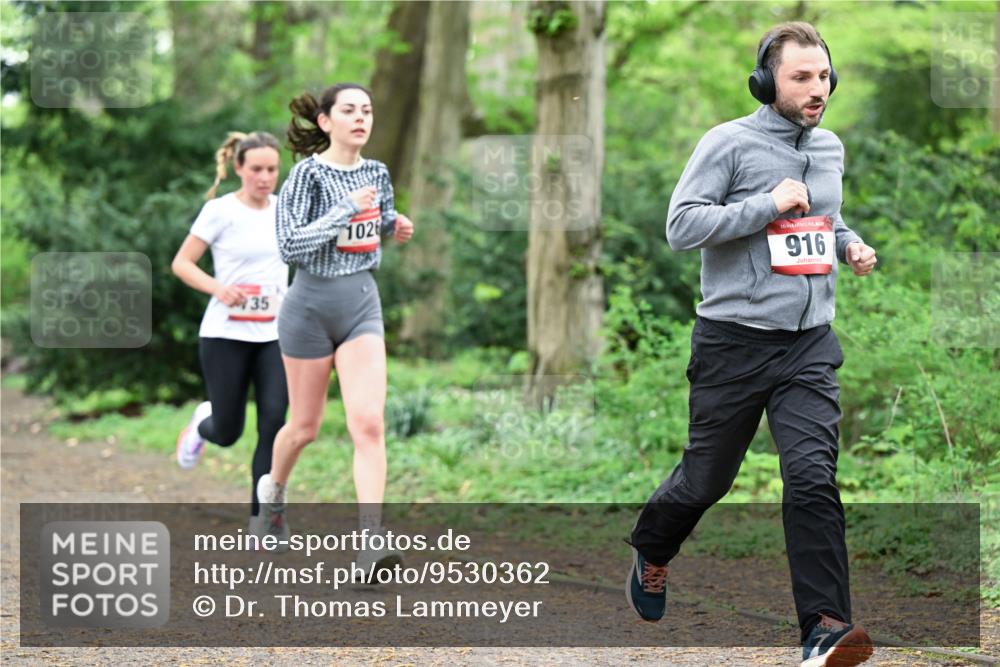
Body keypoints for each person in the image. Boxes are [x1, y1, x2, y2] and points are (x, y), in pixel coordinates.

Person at [625, 22, 877, 667]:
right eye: (801, 77)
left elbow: (827, 214)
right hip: (733, 342)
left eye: (823, 76)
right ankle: (654, 549)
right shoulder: (728, 143)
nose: (816, 88)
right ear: (768, 82)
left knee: (813, 478)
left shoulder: (829, 148)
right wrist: (764, 204)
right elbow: (682, 226)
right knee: (707, 478)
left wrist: (848, 243)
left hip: (808, 344)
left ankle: (823, 629)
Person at [255, 83, 415, 576]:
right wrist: (344, 208)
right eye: (349, 110)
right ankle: (273, 496)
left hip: (361, 304)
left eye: (367, 110)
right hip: (308, 309)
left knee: (368, 424)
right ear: (326, 121)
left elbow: (376, 219)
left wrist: (394, 222)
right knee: (303, 428)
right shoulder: (306, 175)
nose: (360, 118)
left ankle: (370, 543)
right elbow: (289, 245)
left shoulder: (377, 171)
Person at [172, 131, 289, 534]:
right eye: (256, 169)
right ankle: (202, 425)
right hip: (225, 334)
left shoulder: (285, 210)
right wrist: (218, 288)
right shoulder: (220, 211)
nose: (265, 177)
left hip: (275, 334)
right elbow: (182, 263)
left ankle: (265, 520)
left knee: (274, 422)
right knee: (228, 431)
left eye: (272, 169)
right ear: (238, 168)